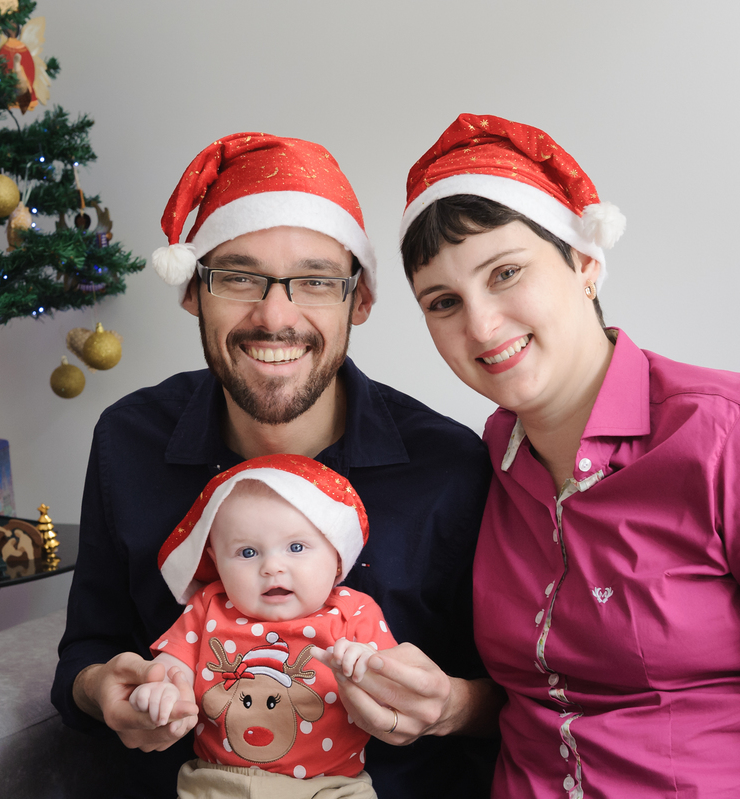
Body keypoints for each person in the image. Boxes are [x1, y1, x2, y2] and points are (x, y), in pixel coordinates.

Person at [382, 113, 740, 798]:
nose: (480, 324)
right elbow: (543, 703)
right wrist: (452, 704)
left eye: (505, 273)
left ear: (586, 263)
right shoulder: (484, 465)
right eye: (443, 302)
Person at [51, 131, 502, 798]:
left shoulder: (448, 463)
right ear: (192, 292)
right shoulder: (130, 439)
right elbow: (84, 656)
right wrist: (102, 690)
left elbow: (523, 694)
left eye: (316, 281)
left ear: (361, 300)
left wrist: (456, 705)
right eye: (237, 276)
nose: (275, 315)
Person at [129, 454, 396, 798]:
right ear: (215, 560)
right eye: (247, 553)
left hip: (330, 787)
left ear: (337, 555)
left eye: (296, 547)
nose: (272, 566)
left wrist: (366, 665)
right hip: (217, 782)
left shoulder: (354, 610)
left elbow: (394, 686)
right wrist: (161, 688)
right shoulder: (209, 606)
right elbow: (172, 666)